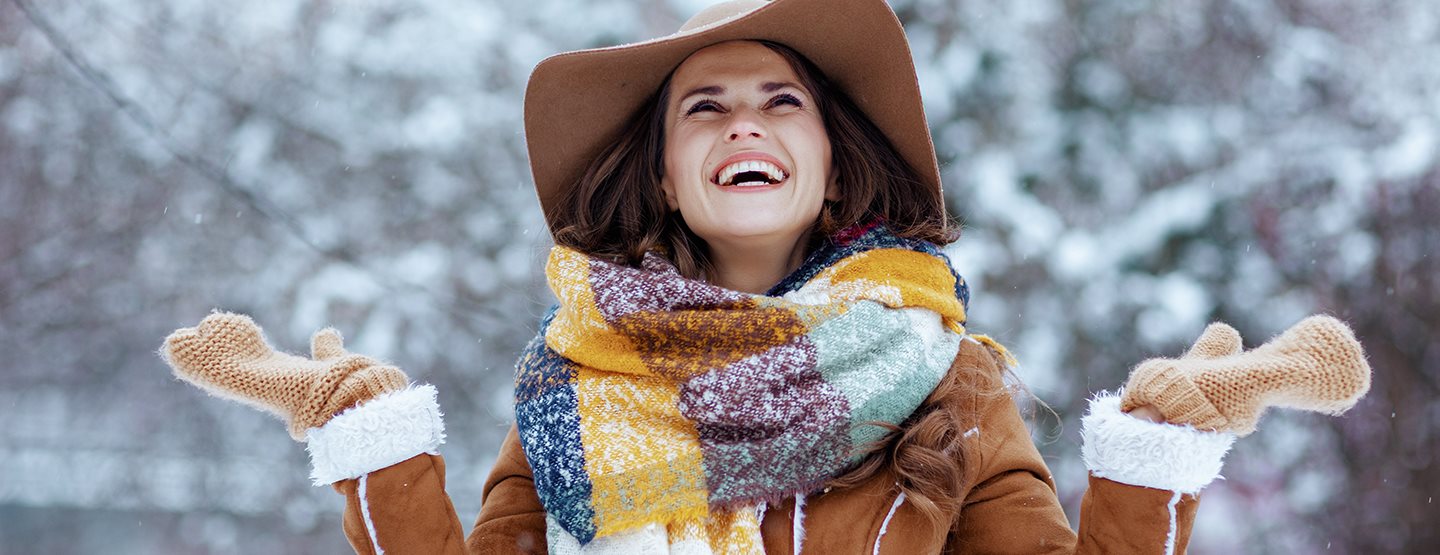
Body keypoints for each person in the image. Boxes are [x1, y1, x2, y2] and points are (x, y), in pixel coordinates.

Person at [158, 0, 1374, 553]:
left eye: (781, 101)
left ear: (833, 171)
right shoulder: (573, 384)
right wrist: (367, 437)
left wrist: (1160, 443)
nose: (746, 123)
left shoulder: (950, 388)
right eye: (706, 108)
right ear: (669, 176)